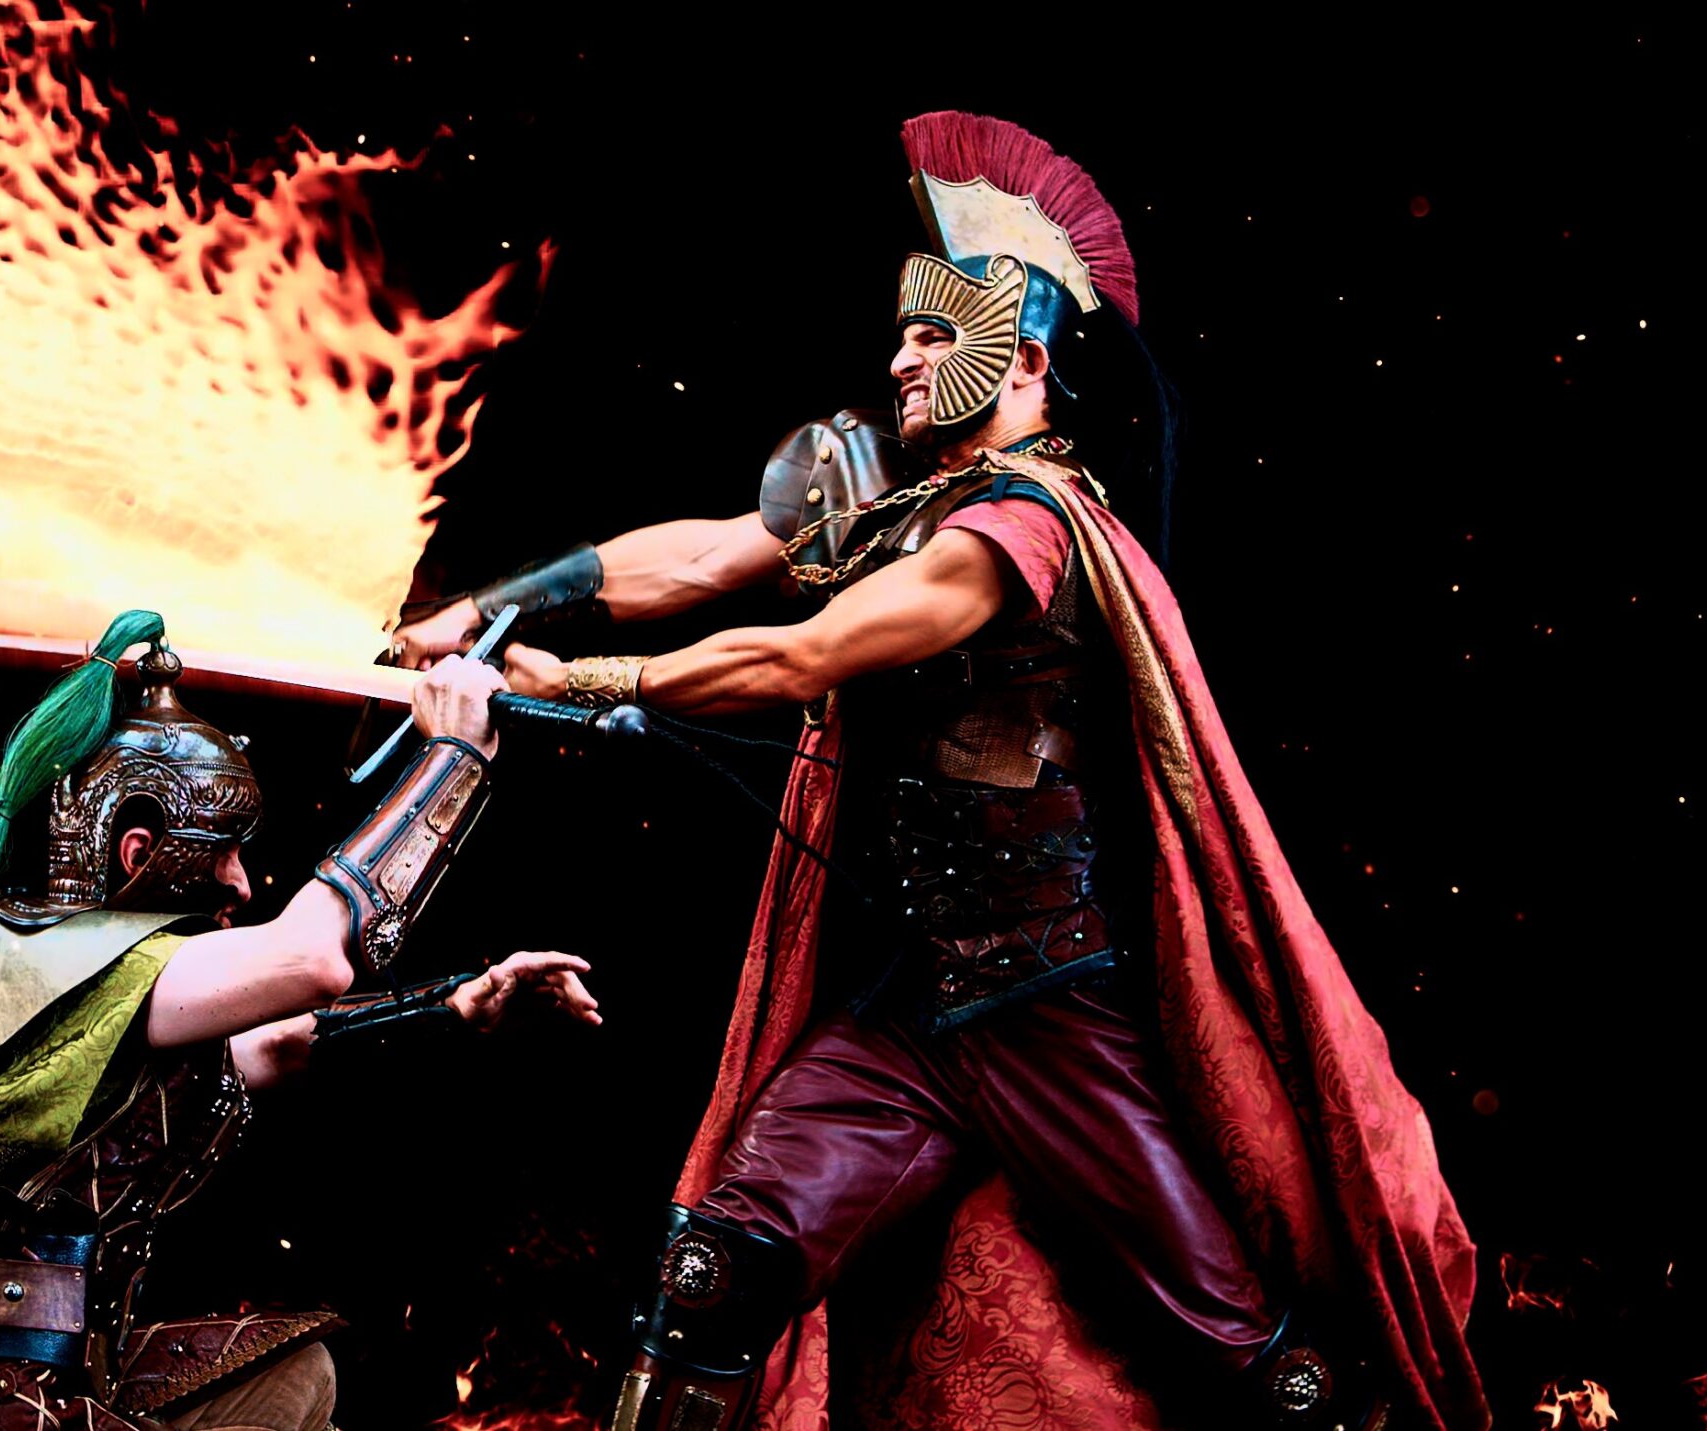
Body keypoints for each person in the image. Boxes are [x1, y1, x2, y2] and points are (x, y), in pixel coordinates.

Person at [403, 113, 1487, 1431]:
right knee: (709, 1278)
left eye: (929, 336)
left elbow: (799, 654)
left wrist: (576, 685)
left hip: (1052, 1006)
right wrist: (492, 609)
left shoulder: (1021, 531)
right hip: (917, 1009)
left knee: (1258, 1362)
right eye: (902, 335)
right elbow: (702, 557)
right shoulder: (901, 504)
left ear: (1020, 358)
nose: (899, 360)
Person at [0, 610, 597, 1431]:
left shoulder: (71, 976)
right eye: (225, 848)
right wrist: (453, 754)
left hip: (3, 1375)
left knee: (293, 1376)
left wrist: (454, 1007)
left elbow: (269, 1044)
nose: (241, 882)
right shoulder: (47, 967)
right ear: (139, 851)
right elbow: (314, 958)